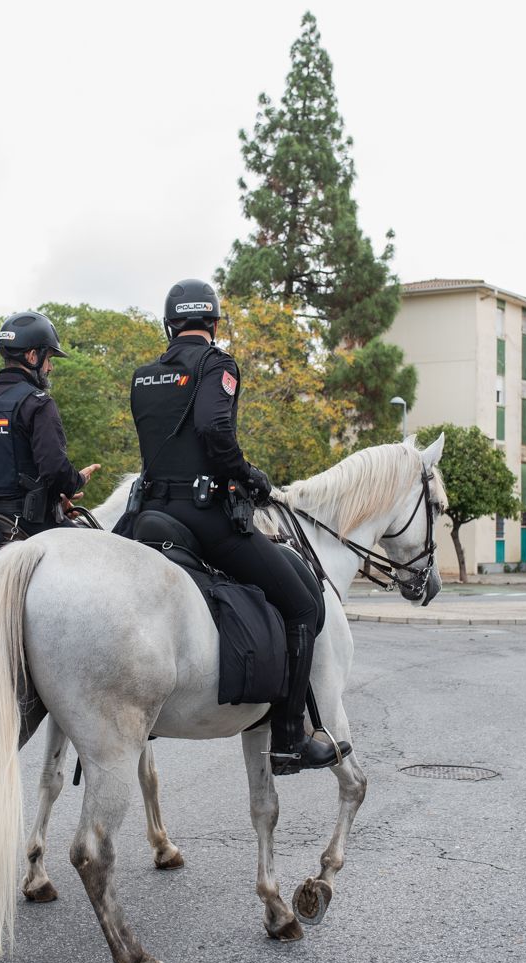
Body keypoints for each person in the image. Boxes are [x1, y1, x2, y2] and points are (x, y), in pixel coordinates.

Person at [128, 278, 345, 775]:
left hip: (147, 515)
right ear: (214, 322)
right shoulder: (217, 365)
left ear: (170, 324)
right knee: (303, 603)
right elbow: (213, 429)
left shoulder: (143, 376)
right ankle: (290, 738)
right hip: (203, 517)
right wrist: (248, 476)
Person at [0, 310, 98, 536]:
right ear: (33, 356)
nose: (50, 367)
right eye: (49, 359)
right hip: (27, 522)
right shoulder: (37, 403)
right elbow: (55, 470)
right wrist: (77, 480)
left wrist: (56, 499)